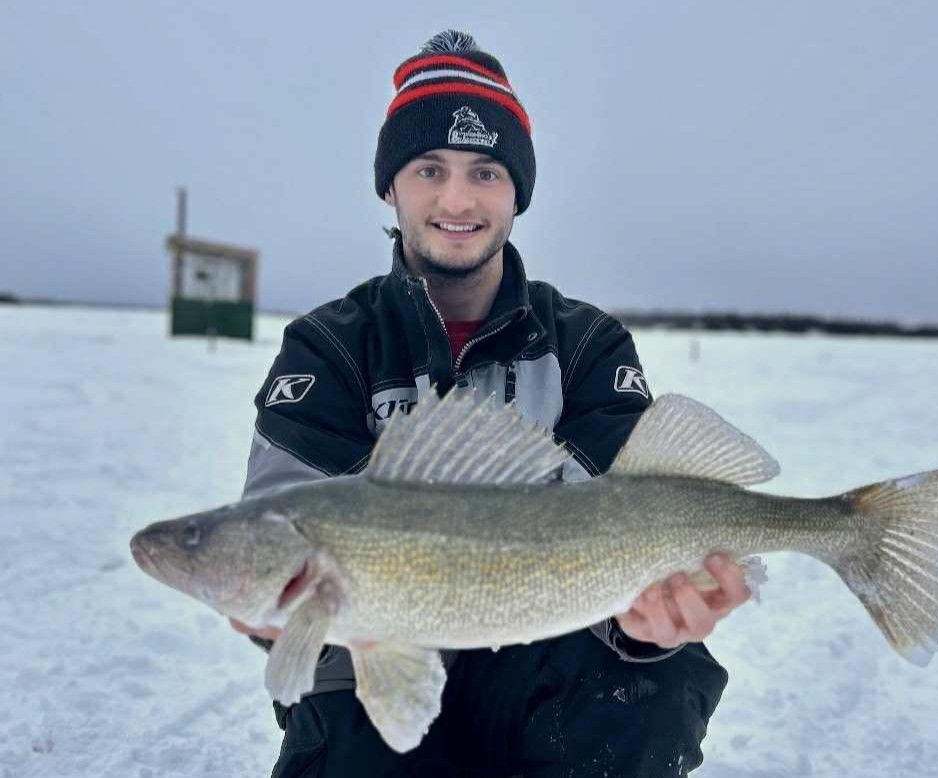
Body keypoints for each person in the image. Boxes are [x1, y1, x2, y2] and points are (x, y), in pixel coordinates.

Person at [232, 29, 750, 777]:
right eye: (428, 168)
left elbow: (630, 524)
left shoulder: (587, 344)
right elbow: (279, 534)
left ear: (517, 193)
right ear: (390, 187)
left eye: (485, 171)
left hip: (542, 645)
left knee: (653, 686)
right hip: (372, 663)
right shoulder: (328, 347)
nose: (456, 199)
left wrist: (646, 628)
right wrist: (264, 610)